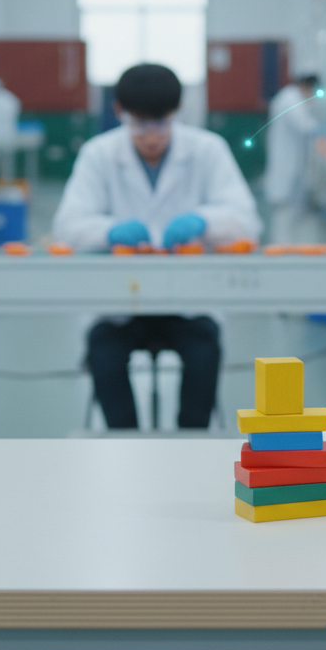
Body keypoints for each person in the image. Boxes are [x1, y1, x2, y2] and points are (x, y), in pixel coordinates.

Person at [53, 63, 261, 429]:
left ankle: (191, 443)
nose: (151, 136)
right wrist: (109, 230)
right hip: (120, 302)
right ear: (119, 112)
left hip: (188, 300)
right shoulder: (98, 154)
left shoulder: (207, 150)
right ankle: (125, 442)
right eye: (139, 124)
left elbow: (246, 219)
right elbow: (67, 226)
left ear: (175, 114)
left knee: (204, 350)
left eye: (161, 123)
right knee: (103, 351)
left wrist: (204, 221)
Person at [261, 74, 320, 243]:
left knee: (288, 212)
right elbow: (305, 125)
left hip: (289, 160)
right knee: (283, 213)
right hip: (286, 162)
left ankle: (284, 248)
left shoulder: (290, 97)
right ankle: (280, 252)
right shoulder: (290, 98)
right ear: (306, 86)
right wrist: (325, 129)